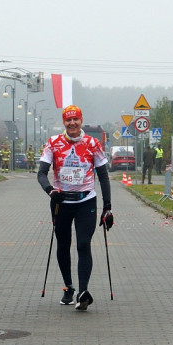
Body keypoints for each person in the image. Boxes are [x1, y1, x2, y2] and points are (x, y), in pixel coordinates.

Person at [37, 104, 113, 311]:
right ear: (64, 122)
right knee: (63, 244)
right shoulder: (54, 143)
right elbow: (41, 173)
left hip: (86, 201)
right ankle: (68, 287)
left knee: (83, 244)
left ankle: (83, 292)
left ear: (81, 121)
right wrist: (50, 190)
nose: (72, 123)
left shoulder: (92, 143)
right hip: (61, 202)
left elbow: (104, 176)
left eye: (75, 120)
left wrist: (107, 206)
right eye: (68, 120)